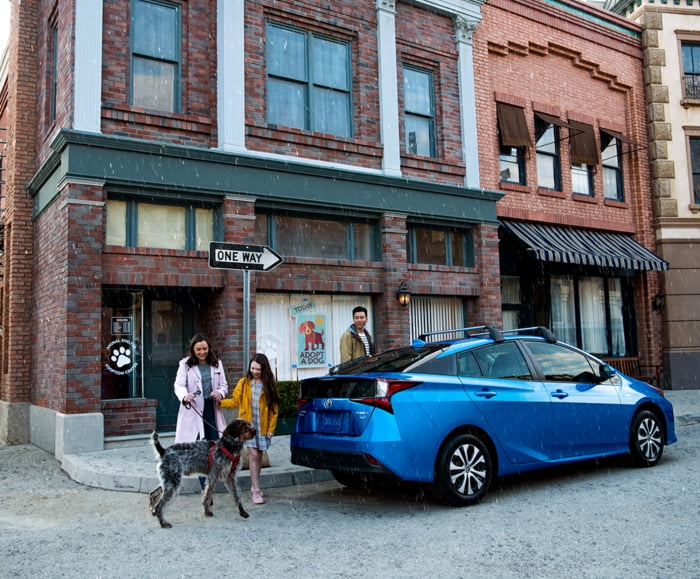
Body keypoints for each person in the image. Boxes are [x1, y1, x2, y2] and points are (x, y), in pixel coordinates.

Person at [220, 353, 280, 505]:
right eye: (252, 368)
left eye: (258, 369)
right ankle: (256, 490)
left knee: (258, 456)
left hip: (263, 427)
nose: (254, 371)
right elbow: (235, 401)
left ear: (264, 369)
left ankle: (255, 485)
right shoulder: (244, 383)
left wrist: (271, 429)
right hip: (247, 428)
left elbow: (274, 410)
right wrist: (219, 403)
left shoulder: (269, 385)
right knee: (253, 455)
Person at [174, 333, 228, 444]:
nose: (202, 352)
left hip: (211, 406)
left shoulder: (217, 363)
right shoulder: (185, 364)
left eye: (205, 349)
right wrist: (185, 396)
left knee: (214, 440)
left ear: (209, 348)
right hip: (194, 406)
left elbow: (223, 385)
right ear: (193, 350)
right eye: (198, 349)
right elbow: (179, 385)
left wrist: (220, 393)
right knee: (194, 442)